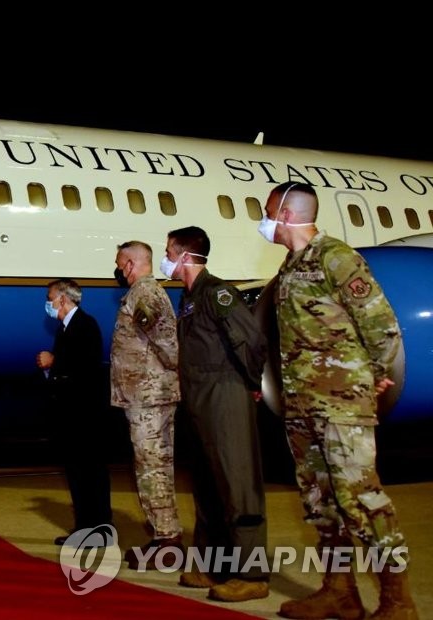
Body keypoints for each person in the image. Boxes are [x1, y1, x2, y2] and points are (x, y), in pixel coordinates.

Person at [260, 182, 416, 619]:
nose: (264, 218)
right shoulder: (291, 267)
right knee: (319, 502)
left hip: (342, 405)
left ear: (287, 214)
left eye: (268, 210)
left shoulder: (336, 257)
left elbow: (382, 324)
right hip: (303, 406)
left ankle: (398, 601)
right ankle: (340, 592)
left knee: (362, 500)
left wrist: (378, 376)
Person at [163, 226, 269, 602]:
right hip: (197, 397)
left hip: (225, 394)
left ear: (186, 256)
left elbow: (249, 338)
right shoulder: (188, 298)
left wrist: (252, 382)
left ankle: (252, 574)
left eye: (169, 252)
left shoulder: (217, 292)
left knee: (238, 484)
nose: (167, 260)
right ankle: (215, 566)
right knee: (207, 485)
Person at [110, 241, 183, 569]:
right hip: (147, 395)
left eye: (119, 263)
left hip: (150, 398)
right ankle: (165, 535)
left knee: (152, 467)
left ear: (129, 264)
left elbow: (167, 340)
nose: (117, 270)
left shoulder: (144, 294)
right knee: (154, 466)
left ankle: (167, 539)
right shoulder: (141, 294)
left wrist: (166, 376)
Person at [35, 278, 111, 545]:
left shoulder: (84, 325)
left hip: (85, 415)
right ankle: (87, 528)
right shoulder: (64, 328)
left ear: (63, 299)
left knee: (89, 473)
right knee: (79, 474)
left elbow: (88, 366)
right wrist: (51, 370)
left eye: (50, 297)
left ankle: (97, 529)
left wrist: (55, 361)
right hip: (72, 413)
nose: (48, 303)